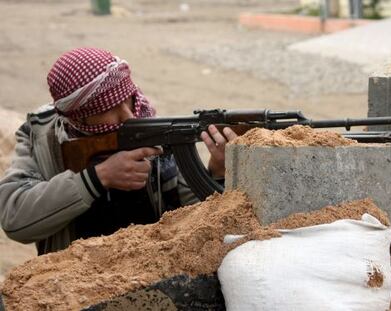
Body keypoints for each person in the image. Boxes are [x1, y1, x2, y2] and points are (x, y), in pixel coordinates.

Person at [0, 47, 236, 255]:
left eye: (128, 99)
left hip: (150, 267)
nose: (128, 115)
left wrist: (216, 173)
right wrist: (98, 177)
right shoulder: (43, 136)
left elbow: (190, 214)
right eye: (110, 107)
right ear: (79, 116)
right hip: (75, 278)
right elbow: (15, 218)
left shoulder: (149, 125)